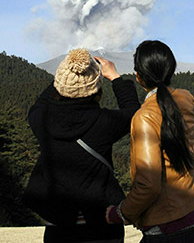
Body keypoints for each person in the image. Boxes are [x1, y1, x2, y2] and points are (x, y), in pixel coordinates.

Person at [24, 48, 140, 243]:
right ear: (95, 89)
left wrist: (67, 73)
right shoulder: (104, 123)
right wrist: (115, 77)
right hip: (102, 227)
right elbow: (133, 112)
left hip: (59, 227)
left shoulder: (40, 120)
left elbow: (40, 103)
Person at [106, 40, 194, 243]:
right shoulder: (186, 99)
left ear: (138, 76)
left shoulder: (144, 117)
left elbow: (148, 186)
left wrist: (119, 213)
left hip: (167, 229)